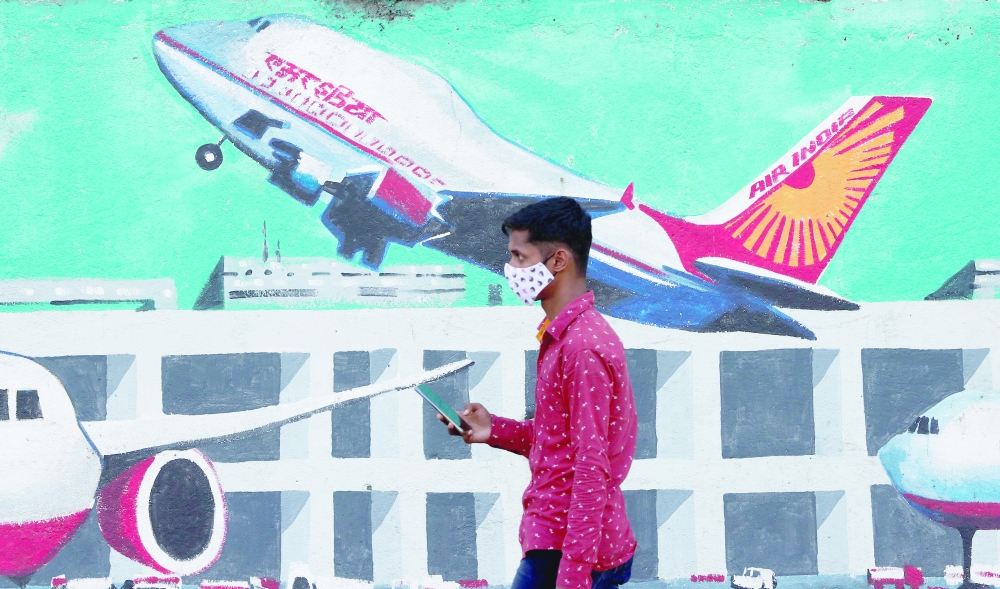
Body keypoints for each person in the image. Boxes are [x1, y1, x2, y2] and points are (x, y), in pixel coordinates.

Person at [439, 196, 638, 589]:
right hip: (556, 544)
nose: (511, 269)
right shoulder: (563, 338)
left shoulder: (582, 348)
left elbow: (591, 467)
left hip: (568, 553)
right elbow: (561, 443)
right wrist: (493, 430)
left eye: (519, 257)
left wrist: (573, 577)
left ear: (558, 261)